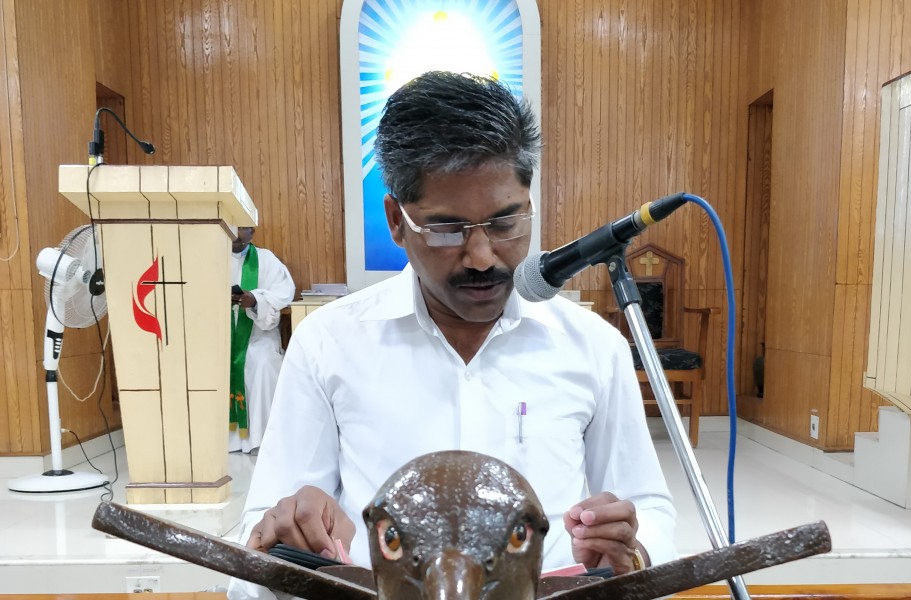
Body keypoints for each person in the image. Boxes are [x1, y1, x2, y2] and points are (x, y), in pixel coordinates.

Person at [228, 71, 676, 598]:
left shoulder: (594, 347)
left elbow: (650, 512)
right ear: (397, 220)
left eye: (505, 223)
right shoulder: (328, 344)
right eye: (447, 229)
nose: (482, 257)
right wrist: (288, 543)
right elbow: (262, 533)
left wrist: (634, 549)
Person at [229, 226, 296, 454]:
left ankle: (261, 439)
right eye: (232, 226)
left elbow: (281, 295)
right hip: (220, 337)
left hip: (258, 334)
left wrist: (255, 301)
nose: (236, 233)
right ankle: (222, 440)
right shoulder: (211, 257)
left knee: (263, 362)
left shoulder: (266, 260)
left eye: (242, 228)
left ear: (252, 232)